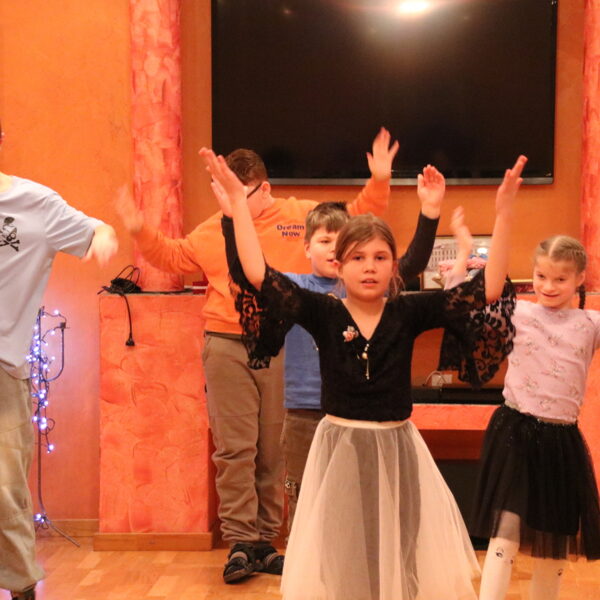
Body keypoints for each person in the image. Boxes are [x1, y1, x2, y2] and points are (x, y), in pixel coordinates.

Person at [205, 148, 526, 600]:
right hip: (338, 446)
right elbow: (257, 274)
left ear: (395, 266)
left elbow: (488, 288)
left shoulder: (408, 311)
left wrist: (505, 213)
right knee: (341, 551)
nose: (369, 267)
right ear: (340, 265)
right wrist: (239, 206)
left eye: (379, 257)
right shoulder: (322, 310)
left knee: (399, 546)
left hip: (397, 448)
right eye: (357, 258)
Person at [118, 129, 409, 583]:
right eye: (221, 192)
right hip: (225, 344)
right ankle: (241, 541)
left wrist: (380, 179)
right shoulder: (211, 229)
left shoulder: (297, 216)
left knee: (273, 448)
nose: (228, 201)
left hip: (279, 346)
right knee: (235, 448)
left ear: (265, 189)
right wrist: (139, 229)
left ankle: (267, 541)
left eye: (238, 193)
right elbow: (173, 256)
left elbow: (355, 219)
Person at [268, 166, 444, 534]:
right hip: (303, 413)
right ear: (307, 247)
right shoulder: (298, 289)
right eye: (324, 240)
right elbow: (258, 277)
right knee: (307, 501)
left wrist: (429, 214)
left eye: (341, 241)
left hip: (357, 419)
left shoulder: (369, 287)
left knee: (361, 507)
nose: (333, 248)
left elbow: (410, 263)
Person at [447, 224, 600, 599]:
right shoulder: (519, 312)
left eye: (560, 279)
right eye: (541, 276)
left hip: (561, 440)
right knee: (505, 534)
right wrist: (461, 261)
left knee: (554, 544)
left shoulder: (591, 324)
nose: (549, 286)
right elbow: (462, 306)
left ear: (580, 279)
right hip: (515, 433)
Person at [0, 120, 118, 600]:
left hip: (2, 368)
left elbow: (94, 229)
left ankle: (21, 586)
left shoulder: (35, 203)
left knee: (4, 487)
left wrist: (104, 237)